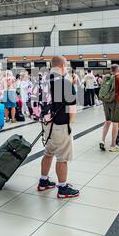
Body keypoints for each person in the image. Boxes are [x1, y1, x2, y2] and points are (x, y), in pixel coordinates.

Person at [38, 56, 79, 198]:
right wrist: (69, 124)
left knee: (48, 153)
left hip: (46, 124)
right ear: (62, 66)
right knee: (62, 157)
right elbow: (72, 109)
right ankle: (62, 188)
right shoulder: (65, 83)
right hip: (61, 125)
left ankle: (43, 181)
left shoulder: (43, 81)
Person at [100, 64, 119, 152]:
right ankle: (113, 145)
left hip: (106, 101)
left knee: (107, 121)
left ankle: (102, 140)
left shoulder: (107, 77)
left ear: (111, 70)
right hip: (115, 101)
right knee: (115, 123)